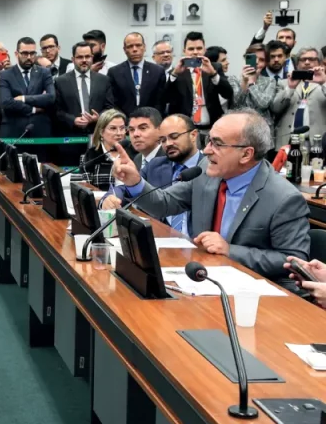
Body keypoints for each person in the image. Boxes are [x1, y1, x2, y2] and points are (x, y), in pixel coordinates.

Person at [112, 109, 309, 291]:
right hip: (204, 279)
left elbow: (294, 260)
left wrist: (231, 250)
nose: (206, 150)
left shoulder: (283, 198)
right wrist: (135, 182)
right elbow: (164, 203)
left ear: (246, 154)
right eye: (208, 141)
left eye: (217, 144)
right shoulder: (207, 172)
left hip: (255, 294)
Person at [102, 114, 202, 235]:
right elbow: (127, 188)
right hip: (161, 237)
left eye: (174, 137)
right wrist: (110, 198)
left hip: (197, 241)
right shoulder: (156, 164)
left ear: (193, 135)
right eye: (163, 140)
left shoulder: (209, 167)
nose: (168, 143)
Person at [165, 31, 233, 137]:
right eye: (191, 49)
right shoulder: (177, 71)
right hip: (186, 130)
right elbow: (165, 98)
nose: (195, 52)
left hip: (211, 128)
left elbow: (228, 93)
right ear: (184, 51)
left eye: (199, 48)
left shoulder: (214, 67)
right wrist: (174, 74)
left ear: (204, 50)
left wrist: (213, 74)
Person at [0, 37, 54, 138]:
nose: (29, 57)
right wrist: (33, 109)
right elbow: (6, 103)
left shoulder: (44, 73)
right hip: (13, 130)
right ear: (16, 54)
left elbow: (51, 97)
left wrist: (23, 98)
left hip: (40, 130)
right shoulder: (6, 75)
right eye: (25, 53)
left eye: (32, 53)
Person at [54, 42, 114, 135]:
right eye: (80, 57)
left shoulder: (104, 80)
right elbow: (57, 110)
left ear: (92, 58)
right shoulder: (60, 82)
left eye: (87, 56)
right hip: (71, 135)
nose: (84, 60)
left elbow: (109, 107)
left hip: (98, 133)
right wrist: (73, 120)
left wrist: (98, 117)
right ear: (73, 59)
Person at [271, 47, 326, 146]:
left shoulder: (324, 83)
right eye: (303, 59)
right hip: (287, 141)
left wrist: (323, 83)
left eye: (312, 59)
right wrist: (290, 88)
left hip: (317, 142)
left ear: (320, 63)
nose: (307, 62)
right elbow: (275, 108)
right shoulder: (284, 83)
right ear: (297, 64)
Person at [108, 32, 167, 115]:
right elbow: (113, 102)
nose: (134, 49)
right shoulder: (114, 72)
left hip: (150, 119)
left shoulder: (157, 71)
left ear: (144, 47)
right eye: (130, 46)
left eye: (138, 45)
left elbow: (160, 102)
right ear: (124, 50)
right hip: (124, 119)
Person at [234, 44, 282, 145]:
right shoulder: (234, 79)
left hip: (264, 134)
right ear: (246, 59)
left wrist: (252, 83)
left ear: (265, 63)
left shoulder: (270, 81)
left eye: (261, 60)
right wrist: (244, 82)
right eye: (253, 58)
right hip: (241, 131)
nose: (256, 62)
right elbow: (236, 105)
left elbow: (263, 104)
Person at [82, 109, 126, 188]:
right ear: (101, 132)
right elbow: (86, 189)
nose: (119, 133)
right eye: (113, 128)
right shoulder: (90, 156)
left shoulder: (134, 153)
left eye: (122, 128)